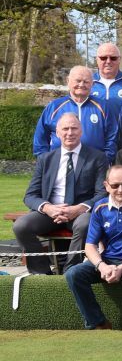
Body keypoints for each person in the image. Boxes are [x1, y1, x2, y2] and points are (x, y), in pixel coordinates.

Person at [64, 164, 122, 330]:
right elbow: (89, 246)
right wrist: (102, 266)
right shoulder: (100, 207)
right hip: (109, 259)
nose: (120, 189)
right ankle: (98, 323)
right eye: (115, 185)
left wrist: (121, 268)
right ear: (106, 185)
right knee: (73, 274)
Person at [15, 113, 107, 273]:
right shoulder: (45, 159)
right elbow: (30, 195)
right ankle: (42, 272)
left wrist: (79, 208)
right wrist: (48, 208)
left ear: (81, 131)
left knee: (86, 224)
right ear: (57, 133)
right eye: (65, 129)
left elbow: (103, 194)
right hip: (50, 213)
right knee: (21, 226)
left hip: (80, 213)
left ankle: (70, 271)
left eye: (74, 128)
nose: (69, 133)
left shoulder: (97, 158)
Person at [33, 65, 116, 160]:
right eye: (78, 81)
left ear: (92, 84)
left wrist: (104, 160)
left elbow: (112, 138)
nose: (81, 85)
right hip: (59, 164)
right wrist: (45, 162)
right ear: (68, 81)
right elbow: (40, 138)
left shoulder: (104, 107)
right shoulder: (54, 106)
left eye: (86, 82)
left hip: (93, 164)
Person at [90, 42, 122, 119]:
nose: (108, 61)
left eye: (113, 58)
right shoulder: (87, 83)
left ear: (119, 59)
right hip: (95, 131)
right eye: (103, 58)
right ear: (97, 59)